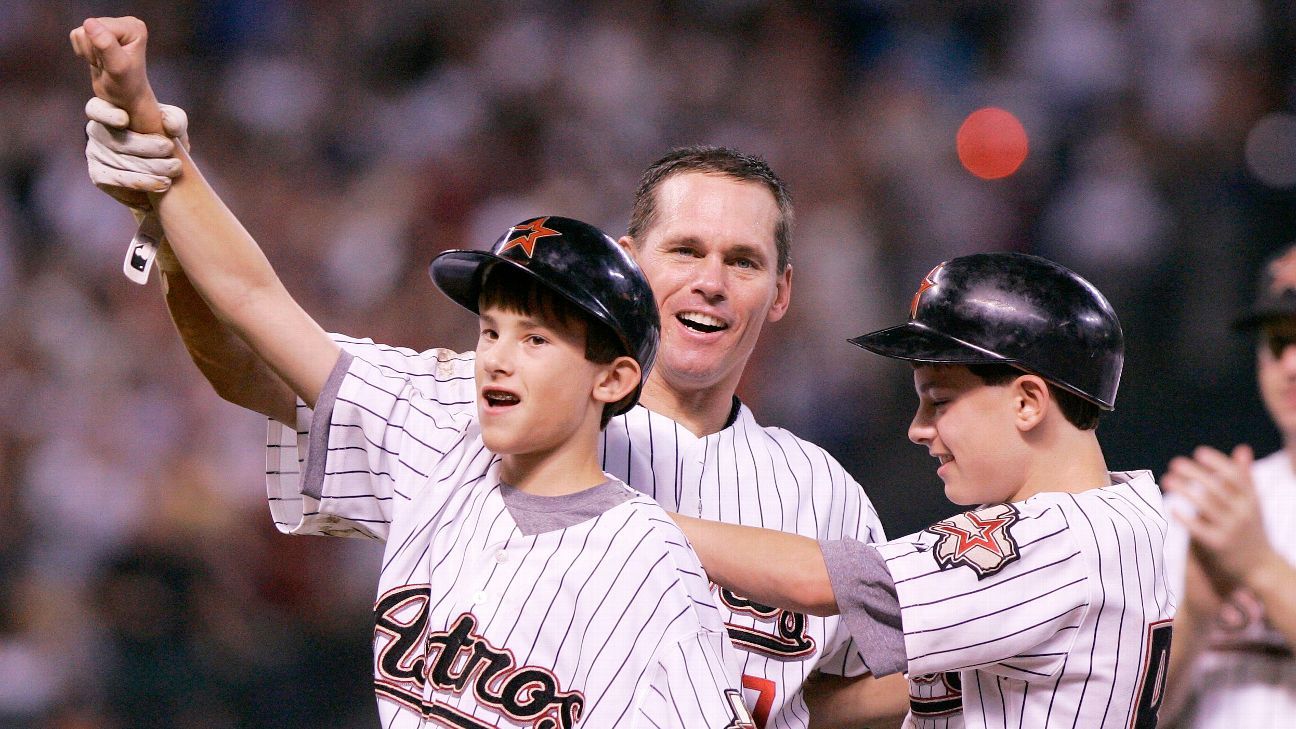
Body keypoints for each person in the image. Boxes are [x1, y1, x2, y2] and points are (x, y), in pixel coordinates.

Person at [82, 67, 907, 728]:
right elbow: (256, 339)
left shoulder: (820, 494)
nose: (710, 282)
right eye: (685, 248)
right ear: (628, 262)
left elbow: (867, 683)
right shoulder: (467, 417)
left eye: (743, 261)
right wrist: (165, 194)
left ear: (783, 289)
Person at [670, 252, 1177, 728]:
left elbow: (820, 583)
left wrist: (640, 519)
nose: (918, 428)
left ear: (1027, 402)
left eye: (939, 401)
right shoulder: (1118, 522)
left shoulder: (1062, 536)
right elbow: (912, 688)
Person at [1159, 244, 1296, 727]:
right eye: (1278, 342)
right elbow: (1138, 714)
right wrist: (1196, 612)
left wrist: (1259, 566)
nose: (1292, 366)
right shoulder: (1210, 505)